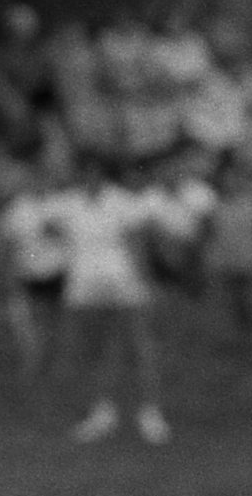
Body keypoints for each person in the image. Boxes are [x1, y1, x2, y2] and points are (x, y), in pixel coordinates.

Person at [56, 176, 169, 445]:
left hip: (124, 282)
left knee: (140, 347)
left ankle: (150, 414)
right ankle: (102, 412)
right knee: (95, 349)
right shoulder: (69, 203)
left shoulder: (123, 202)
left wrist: (144, 280)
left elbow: (138, 241)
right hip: (84, 285)